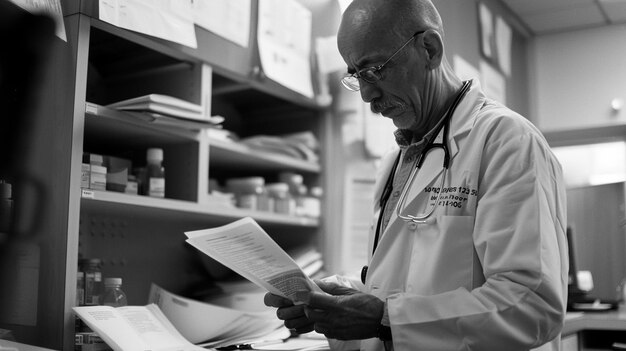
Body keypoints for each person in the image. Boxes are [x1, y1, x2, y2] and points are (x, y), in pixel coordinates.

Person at [265, 0, 568, 350]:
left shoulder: (507, 141)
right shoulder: (393, 162)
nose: (367, 94)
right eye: (356, 75)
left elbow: (531, 305)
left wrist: (384, 317)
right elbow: (408, 285)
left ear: (430, 49)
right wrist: (340, 299)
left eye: (375, 69)